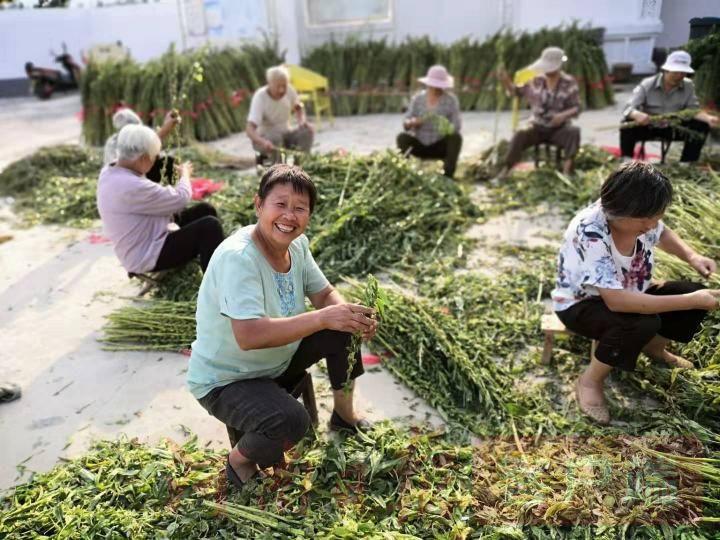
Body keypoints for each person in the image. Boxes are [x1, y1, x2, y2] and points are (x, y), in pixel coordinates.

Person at [187, 164, 378, 488]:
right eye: (280, 204)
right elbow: (248, 336)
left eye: (300, 208)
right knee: (292, 421)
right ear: (258, 204)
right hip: (228, 380)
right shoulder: (240, 258)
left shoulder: (296, 246)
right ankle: (238, 461)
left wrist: (350, 317)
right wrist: (321, 318)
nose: (289, 216)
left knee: (342, 327)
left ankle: (343, 417)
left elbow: (323, 293)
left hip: (278, 360)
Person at [551, 161, 720, 424]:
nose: (653, 225)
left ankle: (655, 348)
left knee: (692, 293)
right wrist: (689, 301)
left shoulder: (644, 220)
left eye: (657, 217)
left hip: (630, 288)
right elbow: (617, 303)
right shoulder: (591, 233)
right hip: (581, 303)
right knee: (642, 321)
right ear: (622, 212)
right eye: (646, 219)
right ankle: (589, 381)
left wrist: (692, 256)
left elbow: (663, 234)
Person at [97, 124, 224, 275]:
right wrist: (185, 175)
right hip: (146, 254)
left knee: (205, 210)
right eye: (153, 158)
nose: (154, 162)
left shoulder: (110, 170)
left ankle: (217, 262)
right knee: (209, 227)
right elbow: (181, 199)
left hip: (149, 236)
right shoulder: (132, 185)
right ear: (143, 158)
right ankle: (217, 286)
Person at [621, 50, 719, 163]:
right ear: (666, 70)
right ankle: (626, 161)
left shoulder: (688, 86)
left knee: (701, 126)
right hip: (649, 126)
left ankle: (686, 164)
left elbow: (693, 110)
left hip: (674, 127)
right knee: (626, 123)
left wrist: (708, 118)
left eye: (682, 73)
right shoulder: (647, 84)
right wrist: (637, 114)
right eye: (675, 72)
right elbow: (628, 108)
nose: (678, 76)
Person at [497, 47, 581, 178]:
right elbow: (516, 92)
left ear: (558, 67)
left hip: (558, 129)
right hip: (537, 126)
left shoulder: (569, 83)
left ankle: (567, 171)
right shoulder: (537, 80)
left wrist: (562, 115)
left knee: (574, 132)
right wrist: (506, 81)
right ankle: (507, 169)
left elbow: (577, 108)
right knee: (520, 134)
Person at [396, 65, 462, 178]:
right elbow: (406, 121)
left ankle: (448, 176)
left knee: (456, 138)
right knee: (402, 137)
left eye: (440, 86)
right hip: (420, 144)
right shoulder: (418, 99)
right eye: (434, 86)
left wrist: (444, 126)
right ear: (428, 84)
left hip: (439, 145)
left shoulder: (451, 100)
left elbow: (457, 125)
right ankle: (404, 174)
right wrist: (412, 122)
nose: (437, 89)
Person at [246, 66, 314, 163]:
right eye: (278, 86)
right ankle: (277, 172)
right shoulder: (260, 97)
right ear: (269, 84)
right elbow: (249, 130)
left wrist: (302, 121)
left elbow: (299, 107)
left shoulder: (290, 90)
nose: (282, 90)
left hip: (286, 134)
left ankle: (301, 167)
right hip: (265, 139)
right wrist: (263, 142)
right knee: (275, 137)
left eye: (284, 86)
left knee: (307, 131)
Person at [103, 107, 181, 183]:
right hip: (125, 184)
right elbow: (141, 151)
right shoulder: (115, 143)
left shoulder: (131, 142)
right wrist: (164, 129)